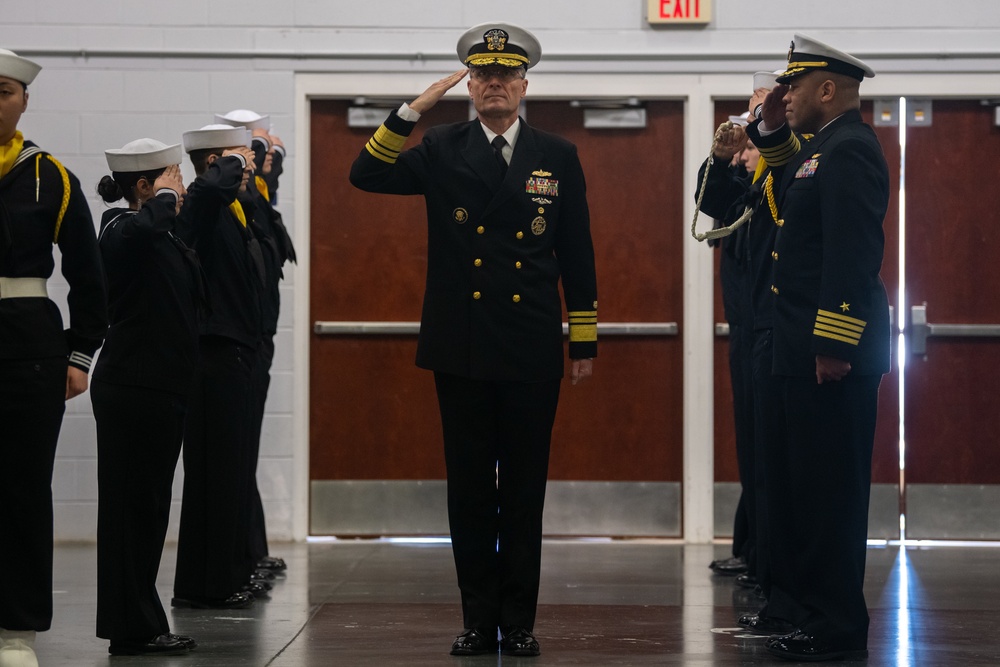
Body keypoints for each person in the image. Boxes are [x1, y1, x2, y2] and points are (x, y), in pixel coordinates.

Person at [349, 22, 598, 658]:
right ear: (470, 87)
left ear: (523, 84)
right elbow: (364, 175)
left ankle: (518, 623)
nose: (494, 84)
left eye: (505, 75)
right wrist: (410, 111)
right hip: (460, 347)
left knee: (522, 490)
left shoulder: (557, 154)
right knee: (468, 491)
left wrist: (585, 341)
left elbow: (576, 251)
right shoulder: (440, 146)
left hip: (530, 345)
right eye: (482, 76)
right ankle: (476, 621)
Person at [745, 34, 890, 662]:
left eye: (794, 87)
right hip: (797, 350)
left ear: (826, 89)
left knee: (829, 492)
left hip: (830, 355)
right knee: (794, 486)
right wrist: (770, 130)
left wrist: (835, 342)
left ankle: (834, 621)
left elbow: (854, 255)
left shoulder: (851, 149)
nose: (786, 95)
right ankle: (797, 605)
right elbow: (786, 198)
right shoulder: (820, 149)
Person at [0, 48, 107, 667]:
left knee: (19, 491)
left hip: (27, 352)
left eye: (5, 90)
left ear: (24, 100)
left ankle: (15, 630)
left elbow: (90, 279)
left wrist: (80, 353)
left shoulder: (53, 177)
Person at [91, 139, 200, 656]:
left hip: (160, 386)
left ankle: (139, 622)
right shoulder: (119, 226)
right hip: (132, 387)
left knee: (149, 508)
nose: (180, 188)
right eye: (172, 178)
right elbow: (135, 234)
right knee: (130, 510)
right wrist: (162, 201)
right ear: (143, 186)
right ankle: (129, 627)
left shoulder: (162, 233)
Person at [171, 124, 265, 610]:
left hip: (236, 351)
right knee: (212, 472)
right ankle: (204, 583)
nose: (248, 167)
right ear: (215, 164)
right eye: (239, 160)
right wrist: (228, 165)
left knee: (230, 471)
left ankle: (226, 573)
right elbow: (208, 190)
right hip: (212, 353)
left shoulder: (233, 210)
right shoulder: (203, 205)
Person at [215, 110, 296, 578]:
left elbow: (268, 209)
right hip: (236, 341)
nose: (265, 161)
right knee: (234, 451)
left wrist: (270, 161)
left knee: (245, 449)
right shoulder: (227, 200)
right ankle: (241, 554)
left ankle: (250, 548)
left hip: (255, 339)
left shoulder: (258, 199)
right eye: (256, 151)